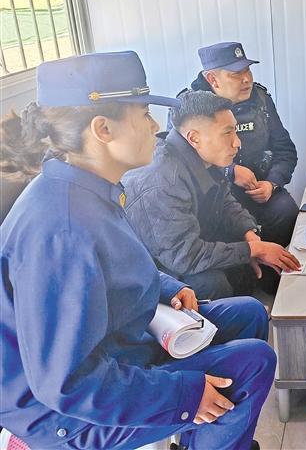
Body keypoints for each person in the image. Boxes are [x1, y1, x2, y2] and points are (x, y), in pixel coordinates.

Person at [0, 52, 275, 449]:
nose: (155, 127)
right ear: (103, 129)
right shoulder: (62, 229)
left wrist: (167, 287)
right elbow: (68, 383)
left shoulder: (91, 188)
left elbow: (117, 264)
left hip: (116, 341)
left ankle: (205, 436)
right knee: (253, 362)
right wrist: (180, 396)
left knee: (248, 312)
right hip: (68, 413)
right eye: (144, 115)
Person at [124, 90, 301, 299]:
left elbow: (225, 202)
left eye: (235, 131)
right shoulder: (163, 180)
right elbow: (185, 255)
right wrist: (253, 250)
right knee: (211, 283)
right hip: (154, 269)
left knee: (251, 263)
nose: (237, 143)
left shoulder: (202, 154)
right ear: (194, 138)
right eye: (227, 133)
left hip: (186, 247)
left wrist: (249, 234)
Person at [176, 41, 299, 247]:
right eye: (236, 74)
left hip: (259, 190)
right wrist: (230, 171)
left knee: (286, 211)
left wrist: (271, 183)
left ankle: (269, 263)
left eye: (247, 71)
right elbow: (184, 164)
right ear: (212, 79)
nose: (246, 79)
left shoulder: (261, 100)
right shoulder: (190, 109)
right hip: (217, 198)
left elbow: (285, 150)